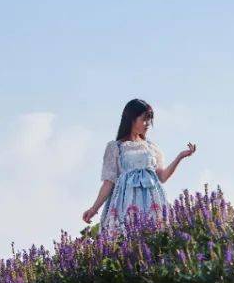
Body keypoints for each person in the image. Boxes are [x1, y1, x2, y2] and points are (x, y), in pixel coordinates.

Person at [82, 98, 197, 232]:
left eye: (149, 120)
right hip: (126, 204)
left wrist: (181, 156)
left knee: (154, 236)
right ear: (131, 119)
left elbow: (162, 177)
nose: (148, 124)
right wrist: (94, 209)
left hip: (153, 202)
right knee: (126, 237)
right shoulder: (116, 147)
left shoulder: (151, 147)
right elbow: (109, 182)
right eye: (144, 119)